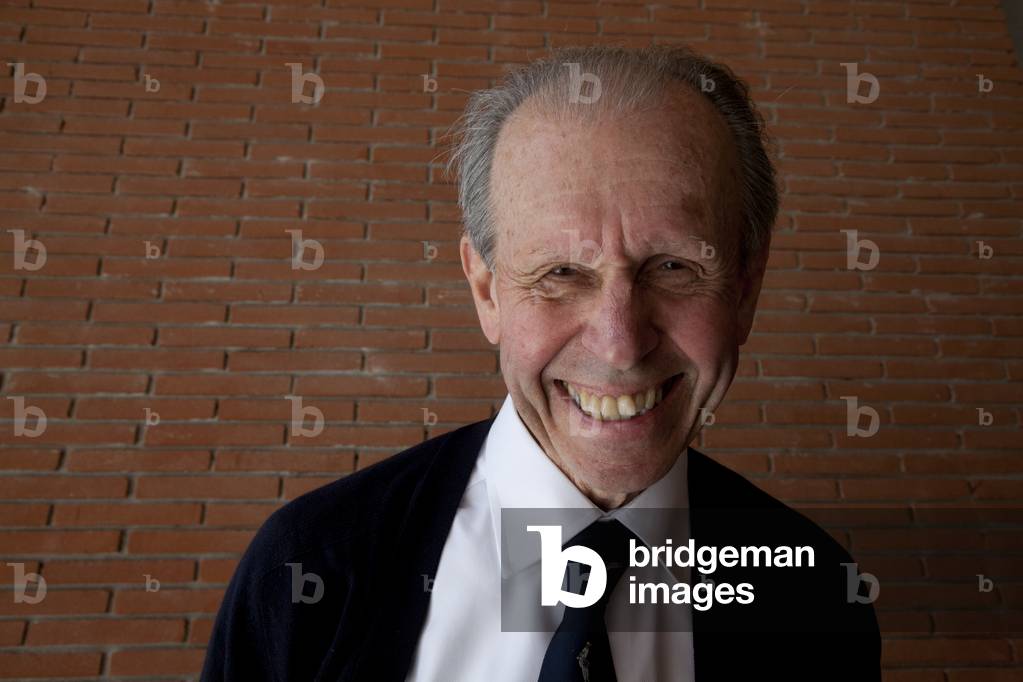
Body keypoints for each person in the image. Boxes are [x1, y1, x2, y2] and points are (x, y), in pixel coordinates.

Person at [201, 44, 881, 682]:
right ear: (486, 290)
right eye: (559, 272)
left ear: (744, 287)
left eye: (673, 266)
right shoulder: (312, 565)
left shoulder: (818, 596)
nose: (619, 343)